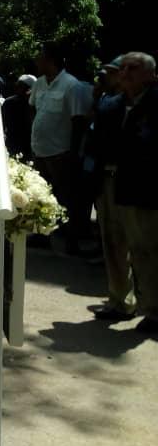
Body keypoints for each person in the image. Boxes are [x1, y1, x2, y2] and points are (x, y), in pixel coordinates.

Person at [110, 52, 158, 334]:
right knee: (128, 248)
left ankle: (153, 310)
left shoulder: (154, 104)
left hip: (147, 190)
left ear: (151, 74)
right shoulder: (116, 103)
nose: (125, 73)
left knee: (149, 251)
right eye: (123, 68)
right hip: (122, 187)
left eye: (133, 68)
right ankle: (130, 303)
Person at [29, 42, 92, 253]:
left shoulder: (71, 85)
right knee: (39, 195)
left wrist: (73, 153)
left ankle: (71, 242)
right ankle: (42, 236)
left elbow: (78, 122)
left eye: (41, 57)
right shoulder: (39, 84)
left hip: (61, 153)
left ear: (50, 60)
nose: (37, 61)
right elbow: (33, 112)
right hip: (40, 150)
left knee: (66, 199)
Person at [87, 56, 136, 320]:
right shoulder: (107, 103)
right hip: (107, 178)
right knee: (114, 242)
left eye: (111, 73)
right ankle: (120, 299)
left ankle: (141, 301)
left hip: (136, 182)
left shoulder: (144, 104)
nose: (106, 78)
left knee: (140, 244)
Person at [1, 74, 35, 160]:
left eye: (22, 86)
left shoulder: (35, 104)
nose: (19, 89)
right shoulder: (8, 103)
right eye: (18, 86)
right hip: (12, 142)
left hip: (30, 144)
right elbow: (2, 124)